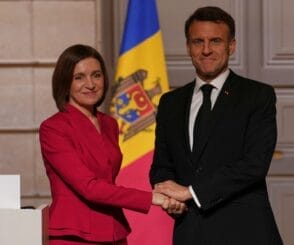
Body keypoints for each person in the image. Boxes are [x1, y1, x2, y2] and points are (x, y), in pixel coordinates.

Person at [150, 6, 283, 245]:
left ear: (231, 46)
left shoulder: (257, 96)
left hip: (245, 231)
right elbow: (162, 164)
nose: (206, 50)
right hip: (190, 232)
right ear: (188, 47)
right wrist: (169, 196)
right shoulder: (170, 102)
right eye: (198, 41)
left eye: (216, 41)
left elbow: (254, 165)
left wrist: (190, 192)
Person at [39, 44, 185, 245]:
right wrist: (152, 198)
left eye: (96, 75)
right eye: (79, 77)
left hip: (114, 230)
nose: (90, 84)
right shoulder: (53, 128)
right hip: (74, 234)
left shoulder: (110, 123)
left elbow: (107, 179)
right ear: (65, 83)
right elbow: (89, 187)